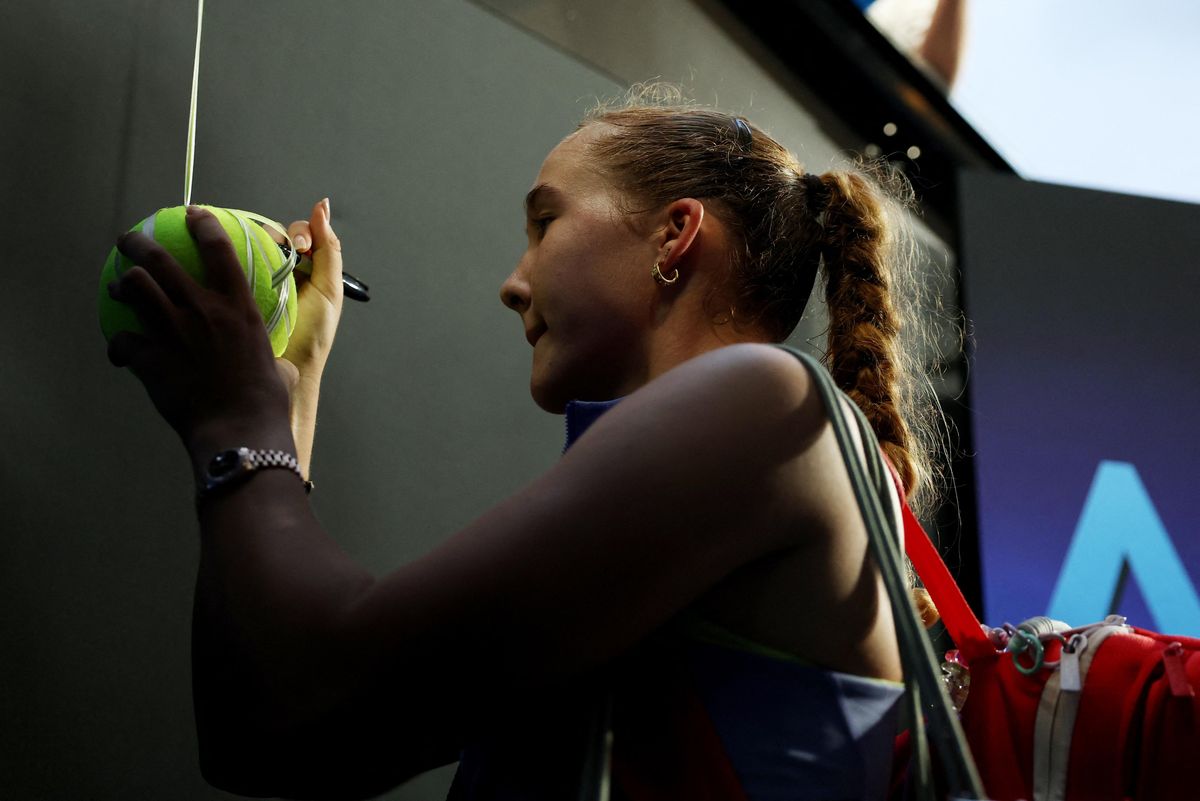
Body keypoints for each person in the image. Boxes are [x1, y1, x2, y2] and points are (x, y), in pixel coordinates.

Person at [106, 87, 940, 801]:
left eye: (546, 222)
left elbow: (302, 709)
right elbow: (253, 731)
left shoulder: (764, 403)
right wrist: (288, 388)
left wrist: (236, 418)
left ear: (675, 234)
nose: (513, 283)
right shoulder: (755, 441)